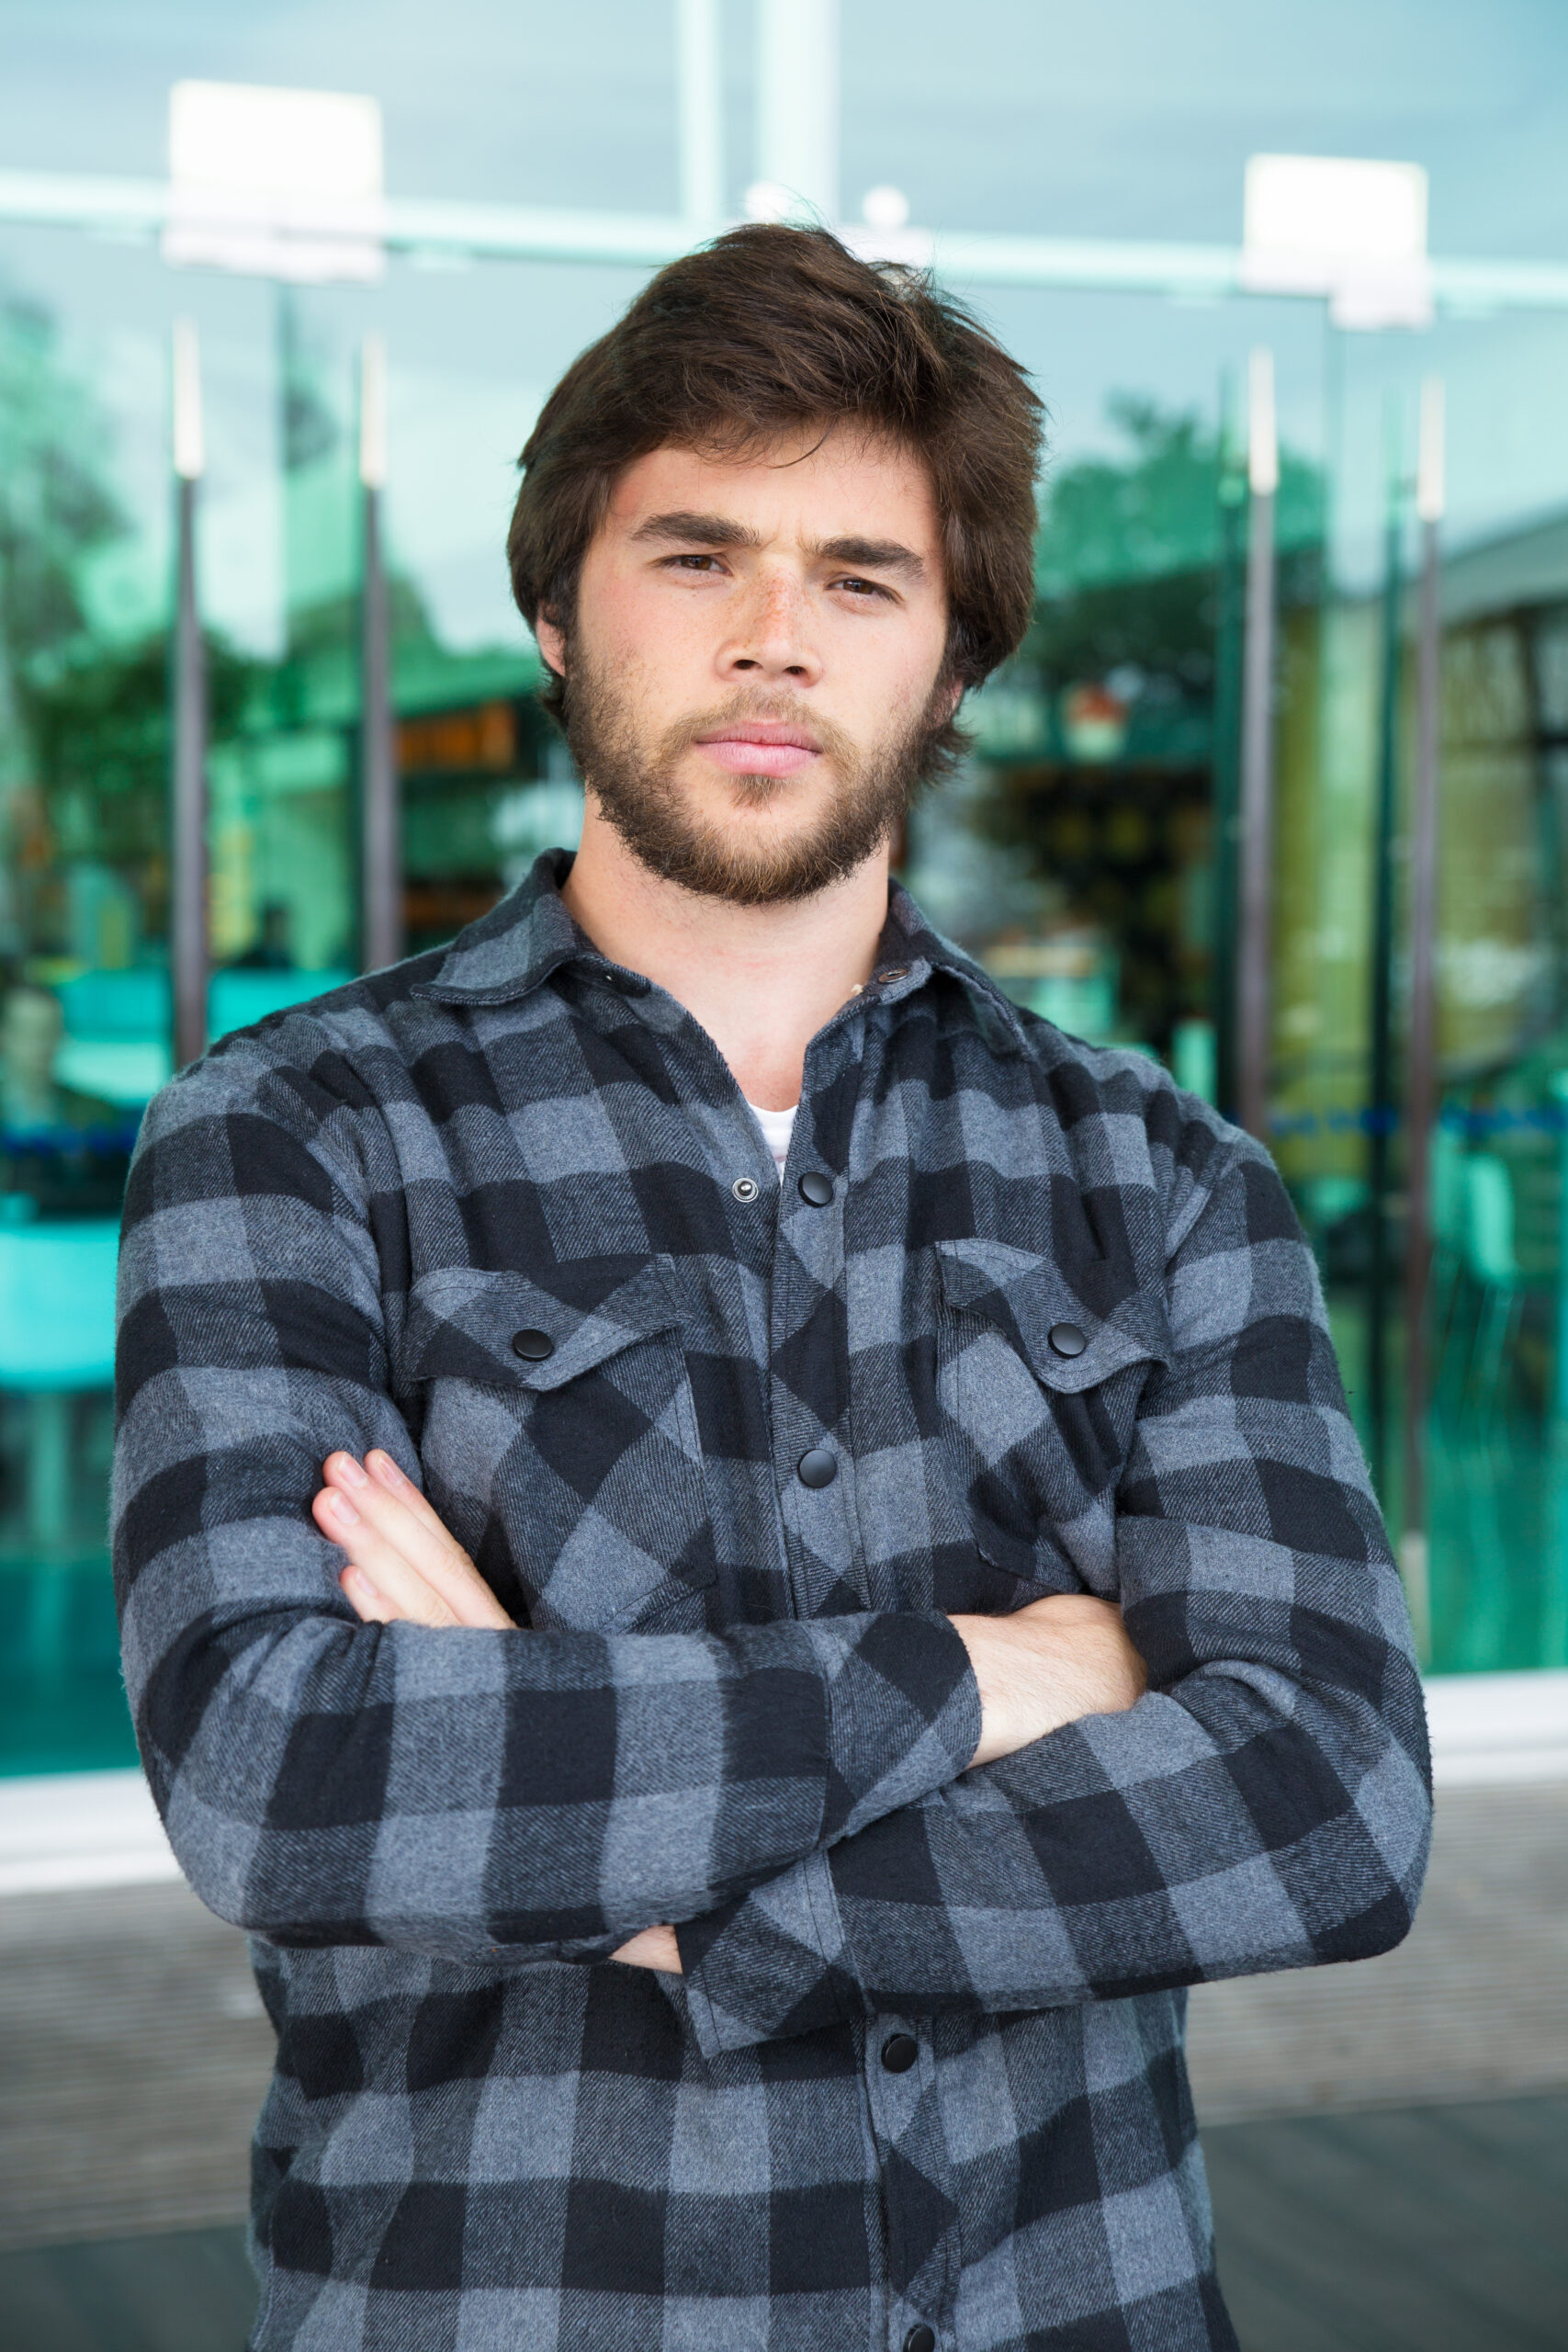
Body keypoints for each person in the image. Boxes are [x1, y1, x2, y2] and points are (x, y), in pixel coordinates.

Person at [114, 225, 1430, 2352]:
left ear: (949, 660)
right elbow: (285, 1765)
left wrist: (649, 1894)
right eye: (694, 554)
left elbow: (1325, 1800)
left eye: (857, 576)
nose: (771, 640)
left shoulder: (1165, 1181)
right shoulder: (298, 1136)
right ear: (556, 609)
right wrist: (998, 1678)